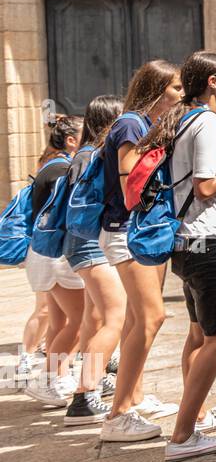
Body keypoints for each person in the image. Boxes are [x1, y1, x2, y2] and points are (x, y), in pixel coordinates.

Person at [135, 51, 216, 460]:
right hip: (202, 240)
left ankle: (196, 416)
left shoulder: (180, 119)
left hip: (182, 242)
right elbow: (204, 186)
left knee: (199, 334)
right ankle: (182, 435)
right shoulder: (207, 121)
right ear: (213, 83)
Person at [100, 61, 186, 442]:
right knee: (152, 317)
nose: (181, 94)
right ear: (157, 89)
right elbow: (129, 185)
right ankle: (118, 415)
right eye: (176, 88)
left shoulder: (140, 125)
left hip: (133, 230)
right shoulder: (132, 124)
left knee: (137, 319)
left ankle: (131, 397)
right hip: (127, 230)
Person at [62, 97, 128, 426]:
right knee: (116, 315)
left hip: (78, 241)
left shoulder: (82, 154)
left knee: (94, 316)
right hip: (89, 242)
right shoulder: (95, 155)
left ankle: (93, 381)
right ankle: (83, 397)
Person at [21, 116, 86, 409]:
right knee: (81, 320)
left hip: (45, 253)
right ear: (72, 140)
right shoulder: (62, 169)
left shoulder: (51, 166)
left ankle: (57, 376)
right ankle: (47, 379)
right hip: (55, 254)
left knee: (59, 320)